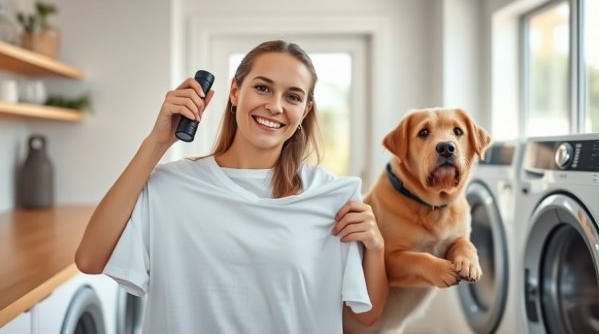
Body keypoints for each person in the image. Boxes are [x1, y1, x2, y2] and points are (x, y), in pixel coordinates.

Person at [75, 40, 387, 333]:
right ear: (235, 92)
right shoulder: (171, 188)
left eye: (292, 96)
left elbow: (367, 314)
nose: (275, 106)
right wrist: (156, 143)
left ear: (304, 111)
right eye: (263, 88)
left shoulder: (331, 196)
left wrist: (376, 248)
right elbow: (89, 259)